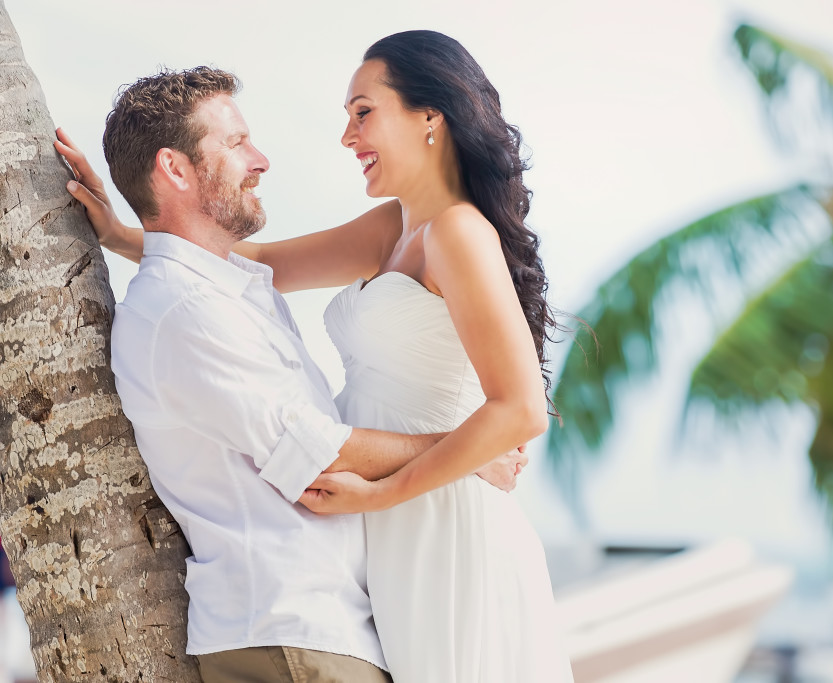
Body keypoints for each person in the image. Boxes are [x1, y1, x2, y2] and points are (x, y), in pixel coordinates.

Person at [56, 65, 525, 683]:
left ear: (430, 117)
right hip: (301, 619)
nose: (264, 159)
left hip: (371, 587)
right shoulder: (191, 305)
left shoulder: (226, 287)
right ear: (175, 168)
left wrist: (125, 234)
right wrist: (469, 454)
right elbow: (315, 451)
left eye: (363, 112)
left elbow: (238, 258)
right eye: (235, 142)